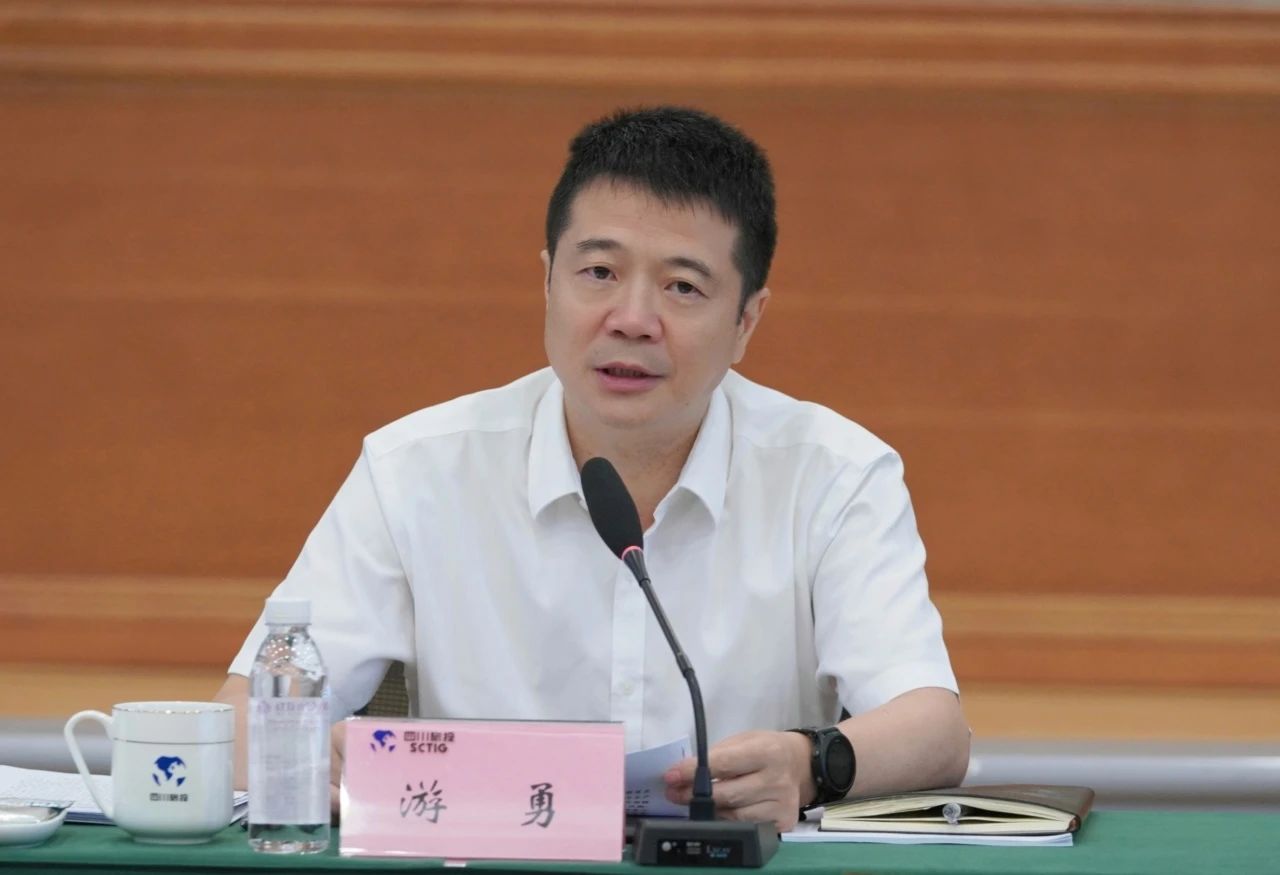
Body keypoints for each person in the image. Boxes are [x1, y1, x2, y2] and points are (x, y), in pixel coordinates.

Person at [214, 106, 969, 831]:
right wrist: (312, 757)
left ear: (746, 321)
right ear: (548, 282)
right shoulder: (416, 470)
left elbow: (934, 729)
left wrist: (810, 763)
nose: (632, 319)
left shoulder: (834, 475)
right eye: (599, 271)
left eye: (683, 287)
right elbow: (245, 717)